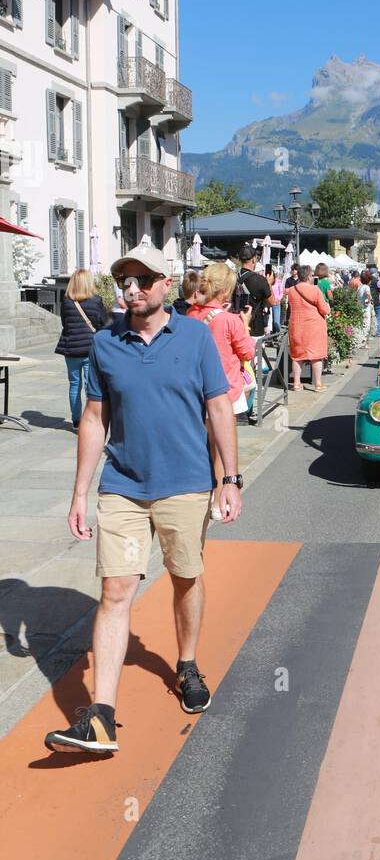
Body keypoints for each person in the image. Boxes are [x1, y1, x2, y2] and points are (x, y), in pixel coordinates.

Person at [44, 245, 242, 756]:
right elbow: (94, 419)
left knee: (185, 578)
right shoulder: (105, 343)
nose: (131, 290)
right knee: (114, 592)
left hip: (186, 483)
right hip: (124, 486)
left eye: (142, 280)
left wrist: (230, 479)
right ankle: (101, 717)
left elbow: (219, 407)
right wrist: (80, 493)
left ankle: (187, 663)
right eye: (123, 281)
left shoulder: (196, 337)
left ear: (165, 283)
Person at [186, 262, 257, 513]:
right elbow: (247, 352)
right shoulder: (230, 320)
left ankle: (200, 495)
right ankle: (218, 500)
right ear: (225, 292)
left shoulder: (190, 314)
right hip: (225, 390)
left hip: (194, 390)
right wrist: (245, 323)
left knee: (203, 444)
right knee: (220, 447)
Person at [55, 269, 111, 431]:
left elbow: (65, 323)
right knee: (90, 386)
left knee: (74, 385)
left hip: (71, 348)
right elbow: (103, 323)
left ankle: (76, 420)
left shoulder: (66, 302)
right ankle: (90, 419)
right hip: (89, 349)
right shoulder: (95, 301)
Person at [286, 263, 330, 392]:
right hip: (314, 327)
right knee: (316, 356)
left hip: (297, 326)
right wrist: (327, 307)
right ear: (309, 276)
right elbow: (324, 310)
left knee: (297, 356)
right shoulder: (315, 290)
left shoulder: (292, 290)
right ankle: (317, 384)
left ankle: (296, 383)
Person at [235, 243, 271, 336]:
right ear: (254, 259)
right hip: (255, 328)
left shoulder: (232, 277)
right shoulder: (259, 280)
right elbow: (272, 302)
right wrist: (269, 283)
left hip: (236, 326)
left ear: (240, 259)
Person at [357, 268, 374, 348]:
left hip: (359, 307)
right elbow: (368, 294)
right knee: (367, 325)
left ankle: (362, 341)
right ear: (368, 280)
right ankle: (364, 343)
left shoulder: (359, 287)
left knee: (362, 324)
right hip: (365, 308)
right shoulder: (367, 287)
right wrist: (369, 300)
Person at [265, 263, 283, 334]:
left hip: (276, 303)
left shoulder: (278, 281)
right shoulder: (265, 281)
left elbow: (281, 291)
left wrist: (278, 298)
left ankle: (276, 334)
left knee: (276, 322)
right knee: (268, 322)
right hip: (267, 303)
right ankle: (270, 336)